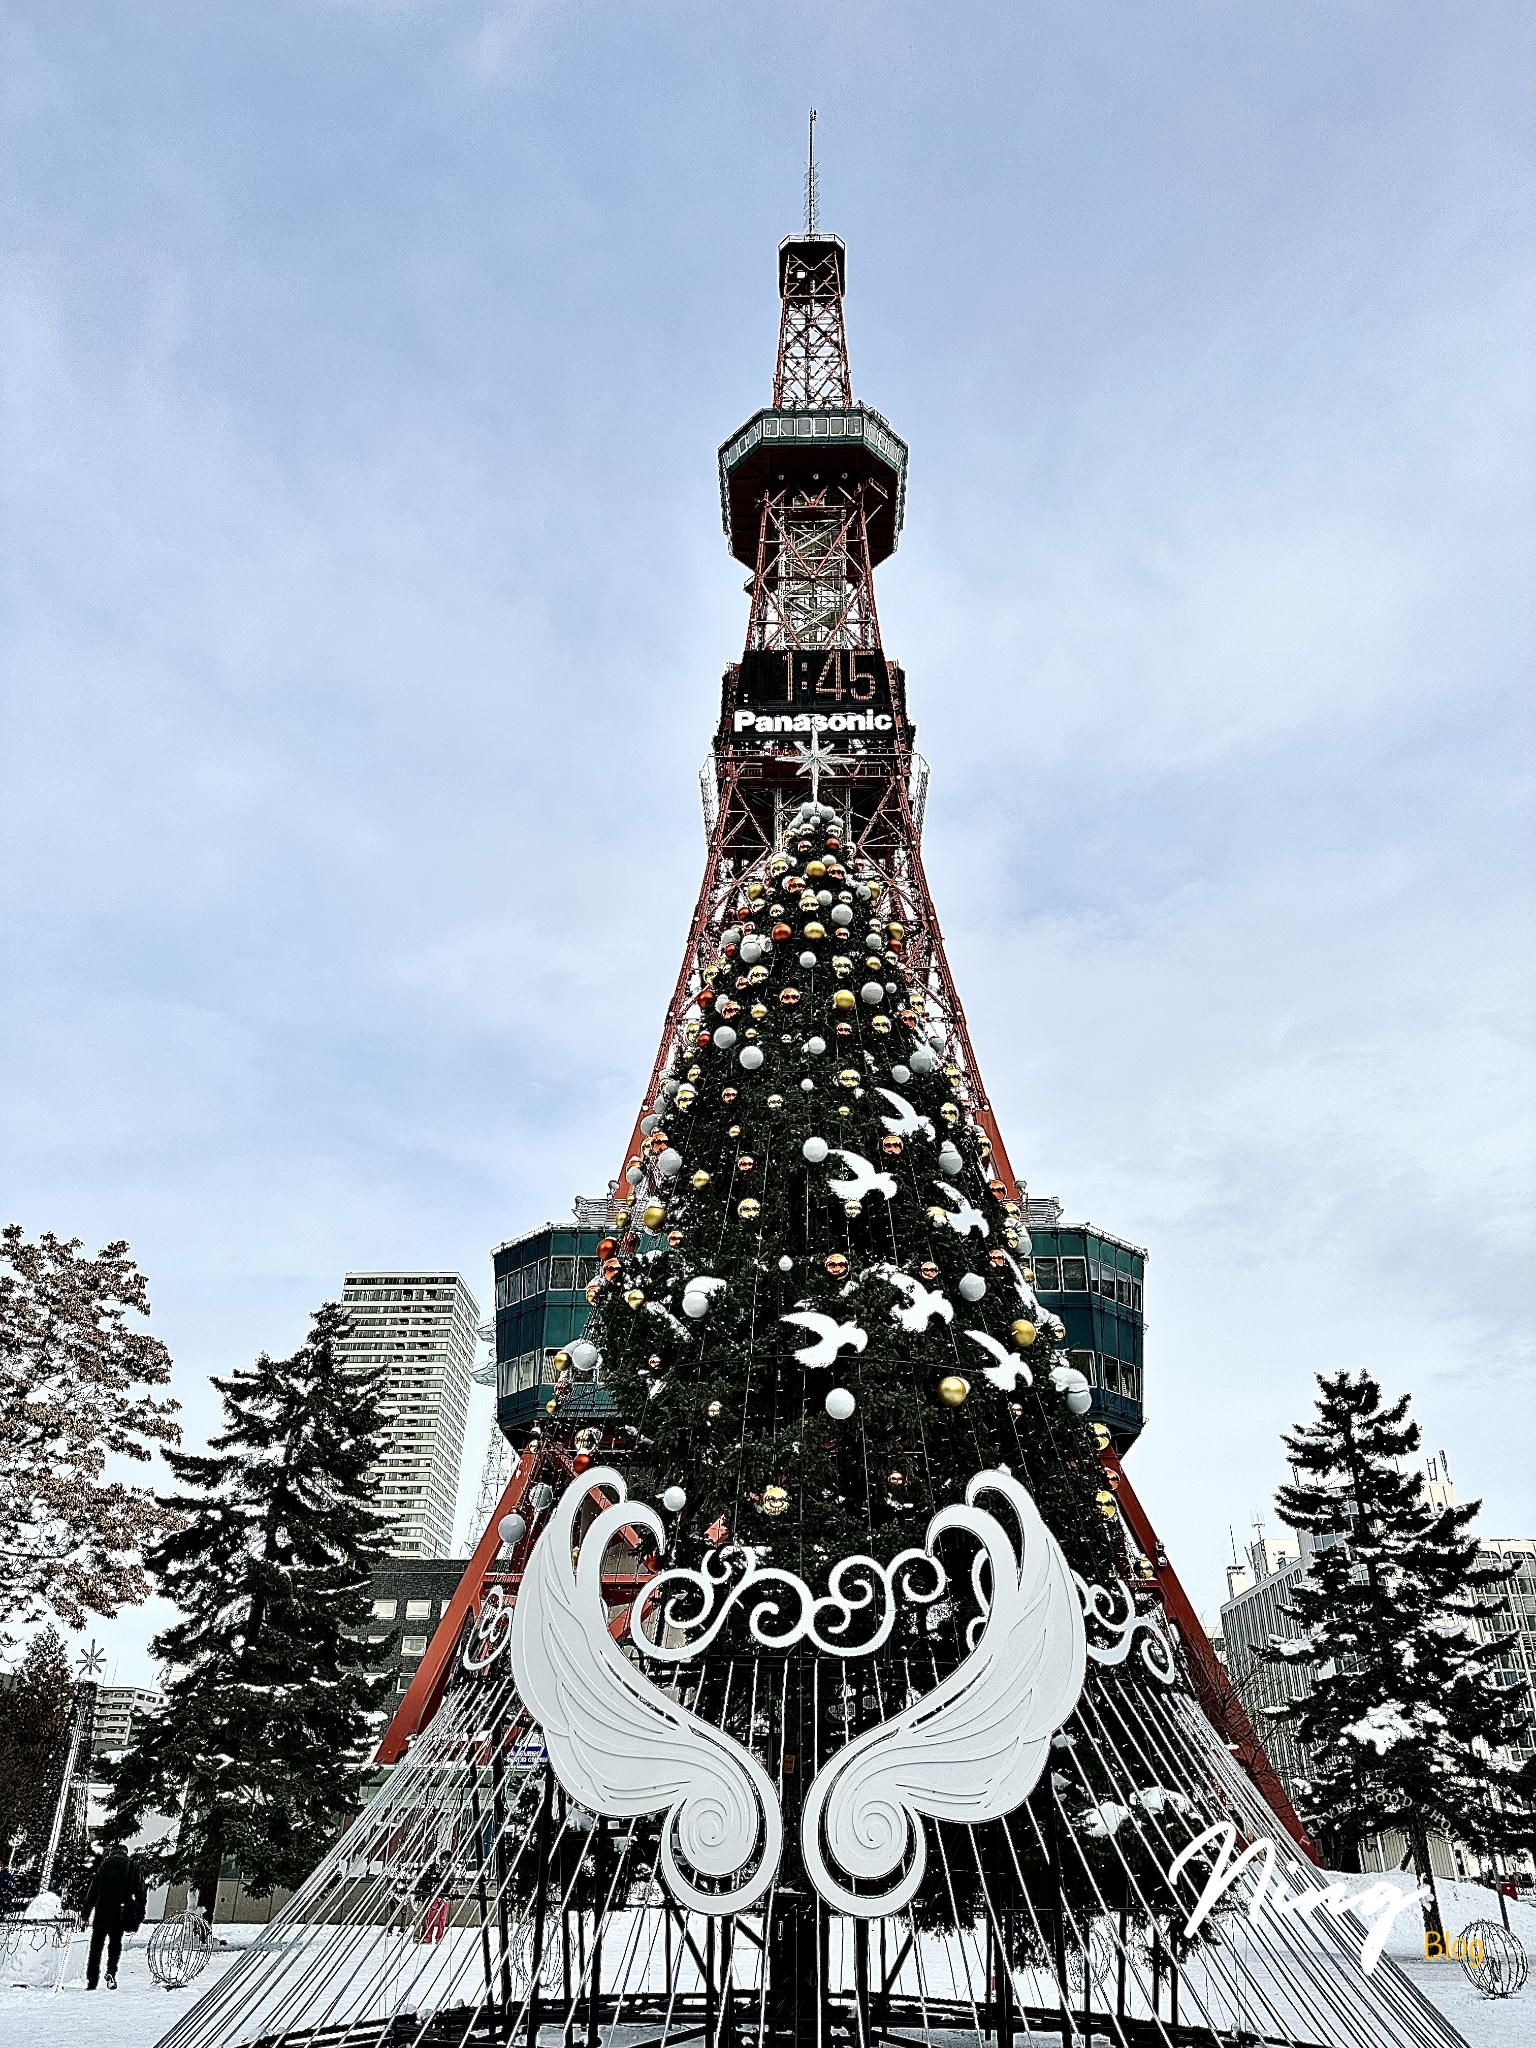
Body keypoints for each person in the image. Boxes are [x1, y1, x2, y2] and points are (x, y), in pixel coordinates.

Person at [80, 1840, 145, 1989]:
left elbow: (92, 1893)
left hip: (101, 1912)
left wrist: (85, 1916)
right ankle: (111, 1973)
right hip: (120, 1912)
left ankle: (92, 1980)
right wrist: (139, 1910)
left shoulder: (102, 1867)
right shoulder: (132, 1866)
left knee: (96, 1947)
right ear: (125, 1852)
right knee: (115, 1945)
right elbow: (140, 1891)